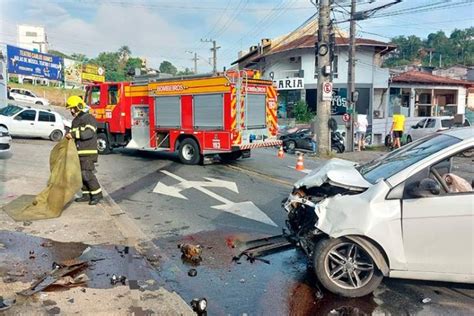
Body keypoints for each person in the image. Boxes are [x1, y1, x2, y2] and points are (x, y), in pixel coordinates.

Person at [65, 95, 103, 205]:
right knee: (81, 175)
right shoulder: (75, 121)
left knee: (86, 174)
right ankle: (86, 194)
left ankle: (97, 195)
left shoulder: (89, 118)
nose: (71, 111)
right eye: (70, 109)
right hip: (79, 153)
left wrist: (72, 134)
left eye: (73, 108)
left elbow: (88, 134)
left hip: (88, 153)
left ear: (79, 107)